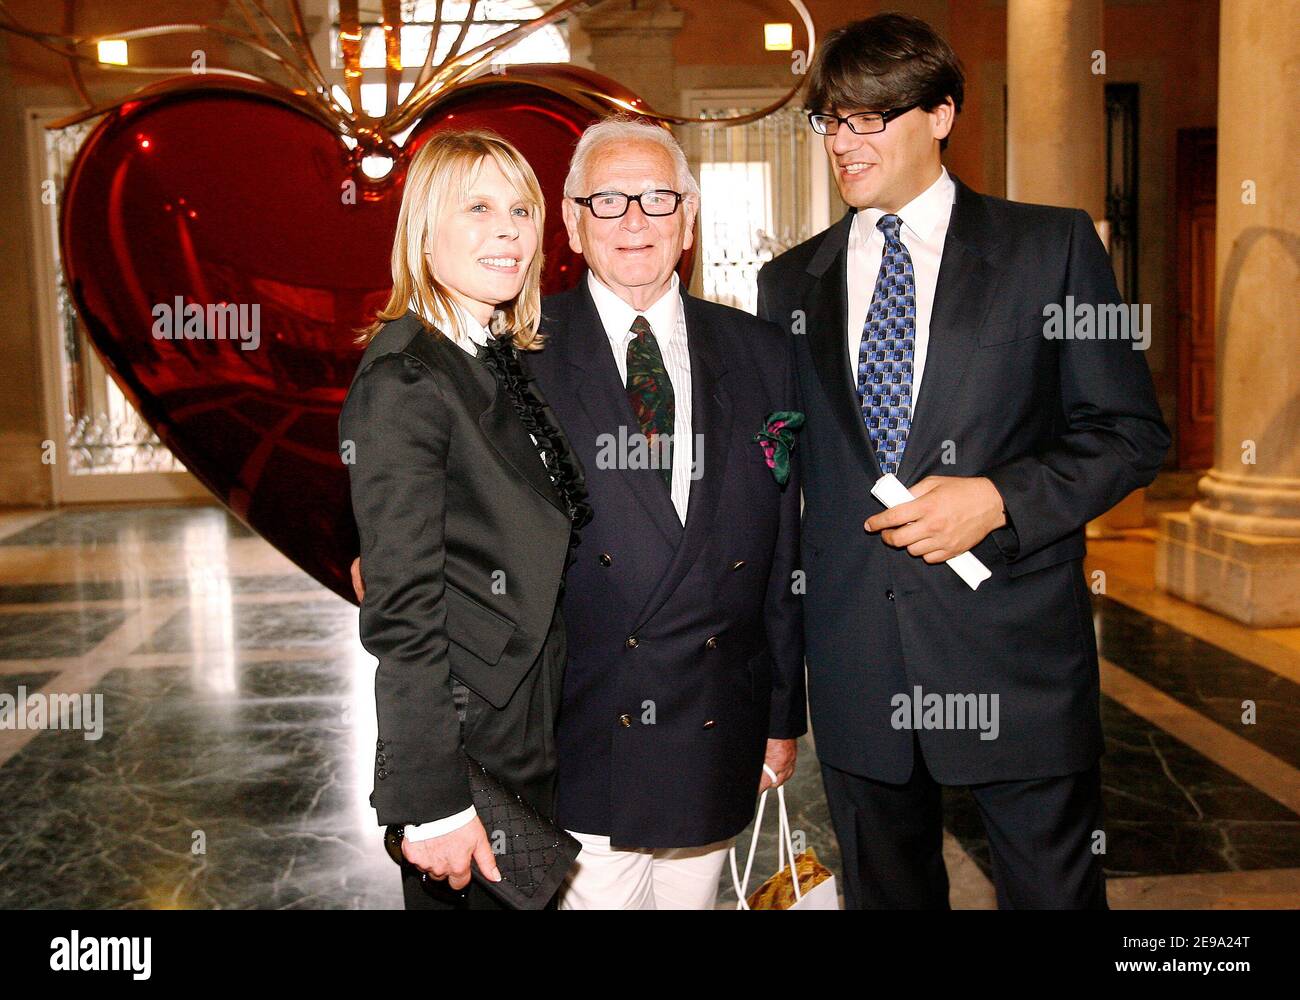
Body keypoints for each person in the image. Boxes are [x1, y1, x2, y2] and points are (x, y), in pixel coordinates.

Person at [757, 14, 1170, 909]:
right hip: (859, 669)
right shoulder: (789, 282)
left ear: (941, 115)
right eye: (832, 119)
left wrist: (999, 499)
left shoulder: (1051, 246)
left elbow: (1131, 432)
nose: (844, 141)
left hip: (1015, 658)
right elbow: (786, 483)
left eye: (871, 118)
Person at [524, 116, 806, 909]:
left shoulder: (762, 352)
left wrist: (781, 716)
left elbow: (784, 554)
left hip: (716, 723)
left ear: (689, 216)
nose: (636, 221)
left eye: (657, 198)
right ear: (573, 223)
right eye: (608, 202)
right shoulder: (519, 355)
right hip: (583, 729)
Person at [340, 129, 589, 910]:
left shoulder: (484, 352)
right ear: (424, 228)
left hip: (521, 718)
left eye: (521, 208)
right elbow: (402, 612)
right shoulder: (406, 379)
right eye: (478, 207)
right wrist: (435, 800)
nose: (509, 229)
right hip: (469, 739)